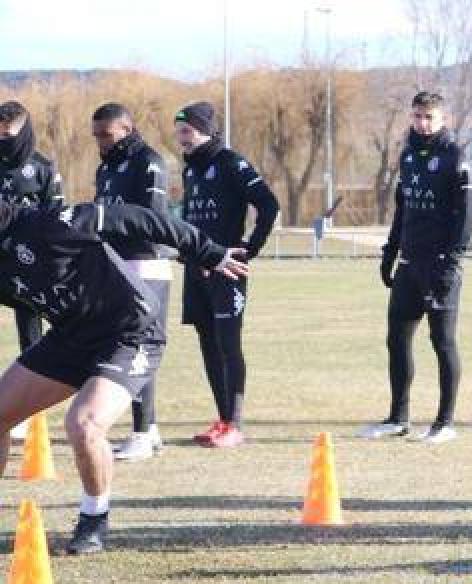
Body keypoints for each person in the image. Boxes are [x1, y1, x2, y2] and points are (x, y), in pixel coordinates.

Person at [0, 199, 247, 554]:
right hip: (70, 338)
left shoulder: (50, 224)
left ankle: (93, 519)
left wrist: (207, 252)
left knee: (83, 425)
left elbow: (142, 219)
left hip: (130, 334)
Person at [360, 91, 472, 444]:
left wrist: (452, 258)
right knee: (396, 340)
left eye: (429, 117)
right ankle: (398, 418)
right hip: (409, 266)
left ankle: (444, 423)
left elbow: (468, 213)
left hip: (440, 267)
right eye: (417, 116)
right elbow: (402, 209)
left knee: (442, 341)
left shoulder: (455, 156)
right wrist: (390, 252)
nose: (422, 123)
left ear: (442, 120)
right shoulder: (408, 156)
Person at [175, 102, 280, 449]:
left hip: (228, 270)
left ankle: (235, 423)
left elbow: (268, 204)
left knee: (227, 343)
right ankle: (222, 420)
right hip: (197, 270)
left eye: (187, 131)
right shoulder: (190, 170)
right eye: (179, 132)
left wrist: (250, 247)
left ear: (205, 130)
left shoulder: (231, 162)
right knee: (207, 343)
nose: (181, 138)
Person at [92, 102, 173, 461]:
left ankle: (141, 432)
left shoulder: (149, 162)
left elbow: (151, 219)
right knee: (120, 346)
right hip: (116, 264)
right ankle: (149, 428)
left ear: (126, 128)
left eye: (106, 135)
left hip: (145, 264)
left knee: (139, 348)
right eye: (96, 136)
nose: (101, 142)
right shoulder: (106, 167)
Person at [0, 101, 65, 440]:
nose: (2, 139)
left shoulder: (42, 167)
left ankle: (28, 410)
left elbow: (57, 217)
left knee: (31, 334)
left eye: (8, 133)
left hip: (27, 263)